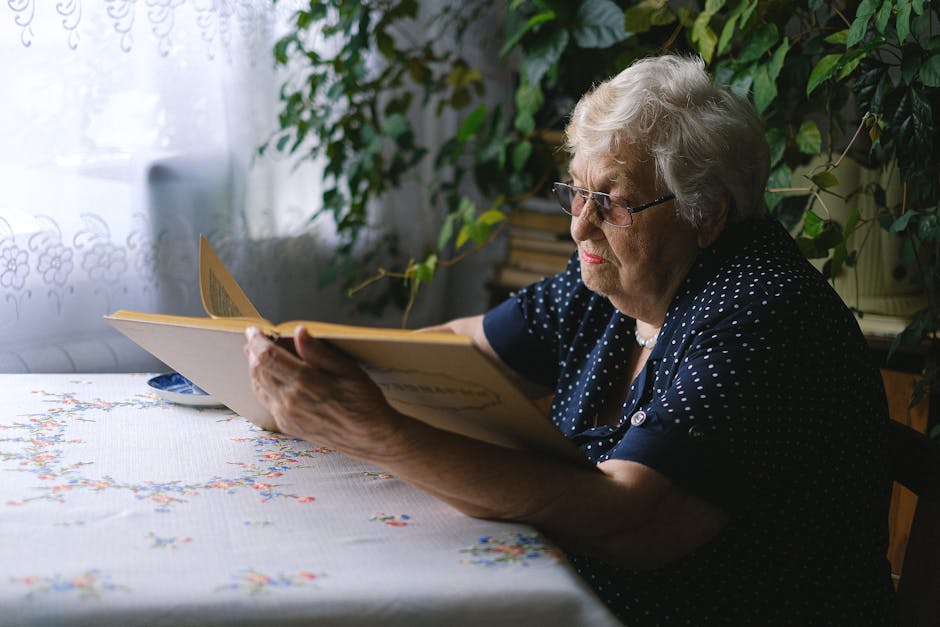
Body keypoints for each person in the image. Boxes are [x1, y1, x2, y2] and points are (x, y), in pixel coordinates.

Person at [244, 55, 896, 625]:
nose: (580, 228)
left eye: (610, 201)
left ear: (707, 211)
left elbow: (629, 520)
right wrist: (306, 359)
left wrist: (375, 432)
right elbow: (454, 352)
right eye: (574, 193)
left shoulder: (762, 319)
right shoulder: (612, 285)